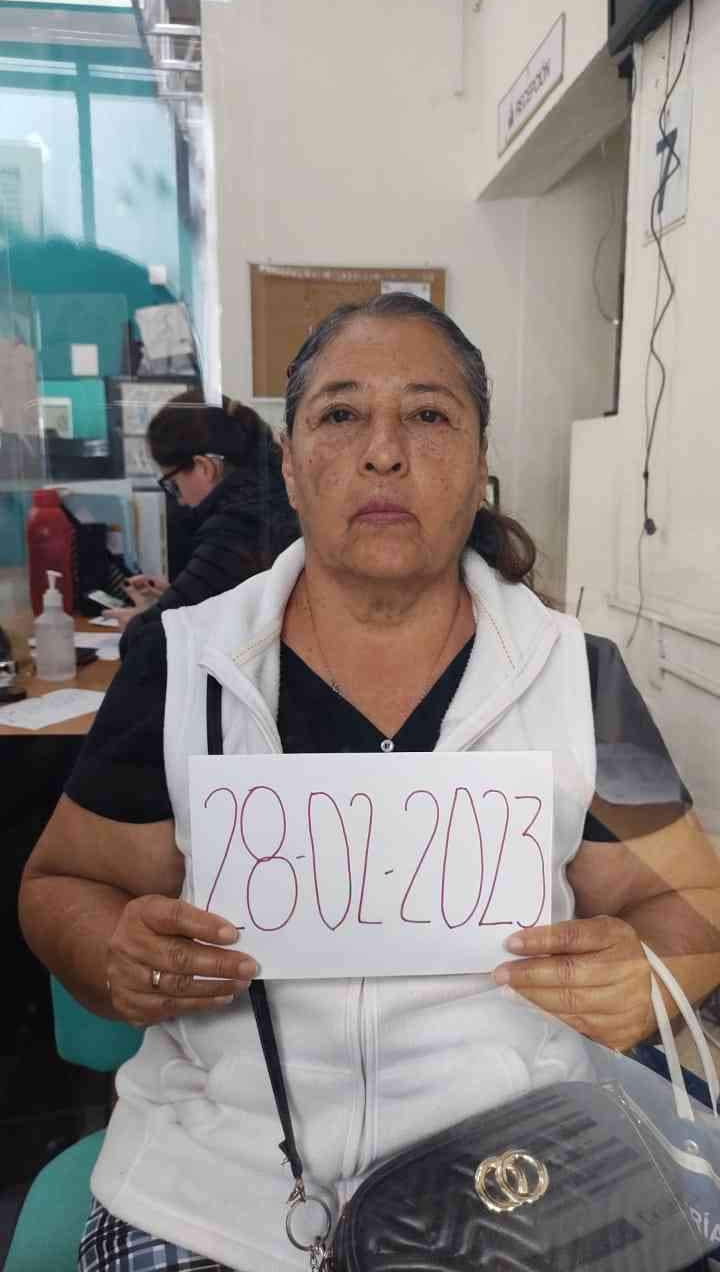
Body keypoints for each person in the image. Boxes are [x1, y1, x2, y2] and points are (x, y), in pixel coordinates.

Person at [18, 294, 720, 1272]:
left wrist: (647, 977)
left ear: (479, 461)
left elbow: (691, 902)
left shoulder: (578, 676)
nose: (384, 452)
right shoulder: (182, 665)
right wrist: (113, 950)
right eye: (342, 413)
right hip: (212, 1189)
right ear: (292, 464)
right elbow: (61, 884)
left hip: (515, 1178)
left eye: (429, 414)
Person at [110, 391, 299, 635]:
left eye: (174, 484)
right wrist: (177, 597)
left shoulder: (234, 529)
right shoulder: (277, 498)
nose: (180, 499)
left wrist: (137, 625)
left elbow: (152, 643)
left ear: (205, 468)